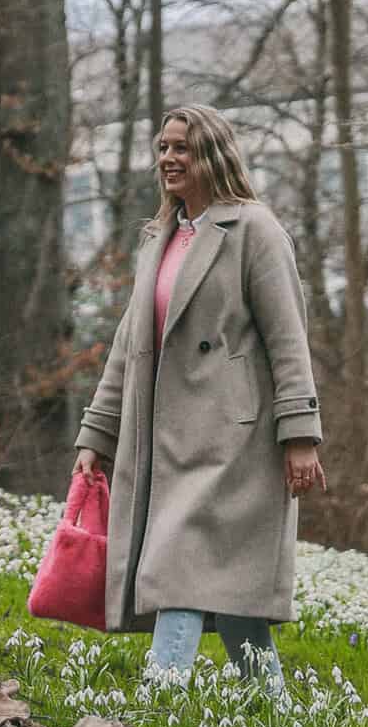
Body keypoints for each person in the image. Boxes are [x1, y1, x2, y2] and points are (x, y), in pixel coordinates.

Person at [73, 104, 326, 691]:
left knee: (182, 569)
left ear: (212, 154)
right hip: (161, 441)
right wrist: (98, 434)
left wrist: (300, 436)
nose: (168, 159)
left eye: (181, 148)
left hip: (234, 440)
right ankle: (277, 713)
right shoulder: (158, 237)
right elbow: (129, 345)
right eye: (162, 148)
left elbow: (289, 339)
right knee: (229, 594)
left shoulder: (255, 231)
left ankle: (159, 711)